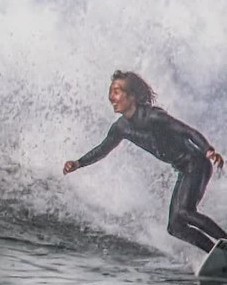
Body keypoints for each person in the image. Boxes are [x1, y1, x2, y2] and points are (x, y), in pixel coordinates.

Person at [63, 70, 227, 254]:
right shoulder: (120, 127)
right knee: (175, 227)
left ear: (132, 96)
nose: (111, 97)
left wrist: (208, 150)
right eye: (110, 91)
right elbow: (103, 149)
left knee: (185, 212)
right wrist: (78, 163)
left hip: (197, 163)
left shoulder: (153, 117)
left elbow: (187, 131)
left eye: (117, 91)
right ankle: (218, 254)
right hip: (183, 169)